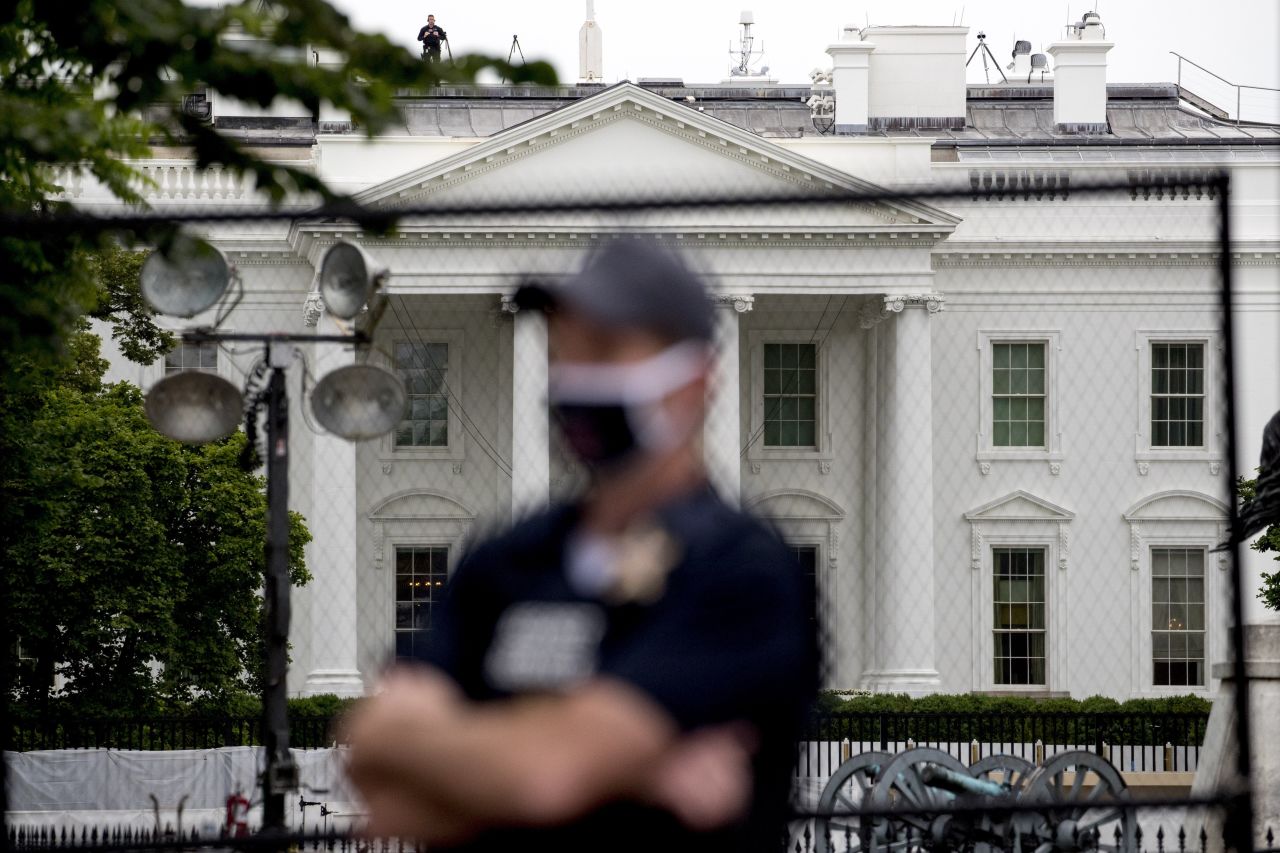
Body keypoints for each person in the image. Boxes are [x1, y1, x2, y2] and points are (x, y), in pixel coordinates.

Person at [343, 239, 819, 853]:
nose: (577, 375)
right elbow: (379, 781)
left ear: (696, 381)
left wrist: (459, 757)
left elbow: (548, 779)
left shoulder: (741, 571)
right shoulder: (508, 555)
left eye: (607, 349)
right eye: (565, 350)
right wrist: (636, 772)